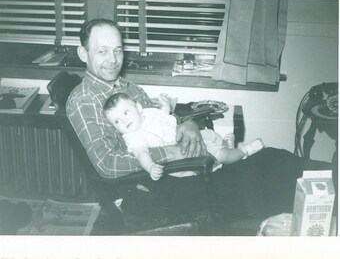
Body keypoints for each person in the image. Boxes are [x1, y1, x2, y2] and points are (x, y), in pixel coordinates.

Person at [66, 18, 333, 221]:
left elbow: (161, 118)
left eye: (118, 50)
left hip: (183, 169)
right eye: (102, 51)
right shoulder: (83, 100)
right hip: (153, 188)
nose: (113, 60)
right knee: (262, 179)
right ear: (83, 54)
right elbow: (108, 165)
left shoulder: (127, 88)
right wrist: (171, 152)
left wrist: (188, 124)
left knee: (274, 158)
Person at [103, 92, 264, 180]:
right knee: (221, 155)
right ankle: (244, 151)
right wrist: (150, 166)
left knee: (211, 135)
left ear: (137, 107)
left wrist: (166, 107)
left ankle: (227, 145)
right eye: (117, 121)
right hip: (181, 154)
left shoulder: (147, 113)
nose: (124, 120)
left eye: (125, 112)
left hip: (181, 137)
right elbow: (141, 154)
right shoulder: (134, 137)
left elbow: (163, 118)